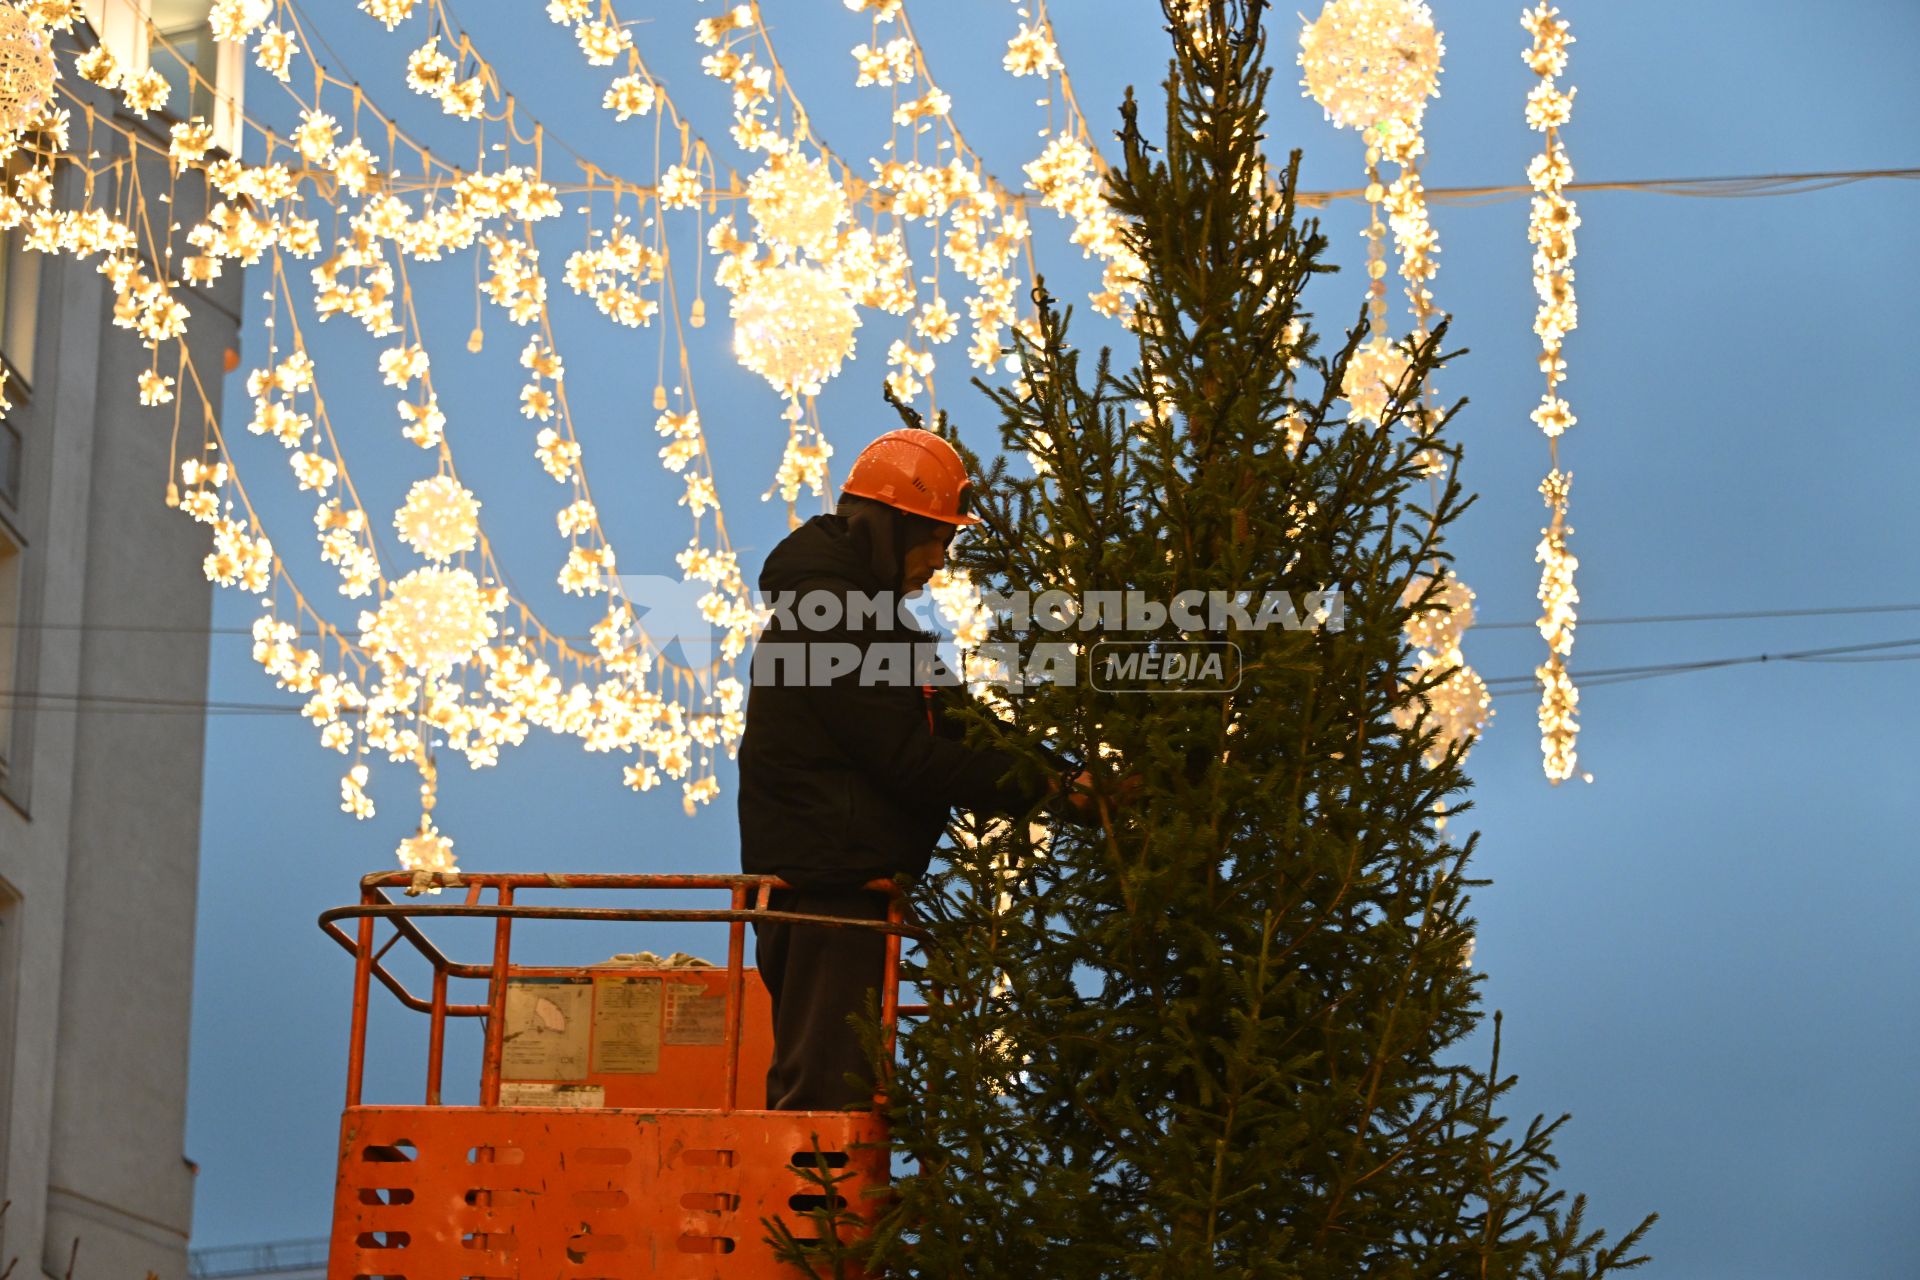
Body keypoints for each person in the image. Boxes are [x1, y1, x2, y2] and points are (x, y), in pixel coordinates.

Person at [737, 426, 1092, 1111]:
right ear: (894, 525)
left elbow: (954, 719)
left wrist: (1059, 776)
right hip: (826, 888)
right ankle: (816, 1210)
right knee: (827, 1091)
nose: (941, 561)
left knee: (839, 1075)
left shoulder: (868, 617)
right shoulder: (831, 617)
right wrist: (1045, 786)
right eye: (939, 538)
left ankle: (823, 1206)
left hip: (844, 881)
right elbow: (906, 757)